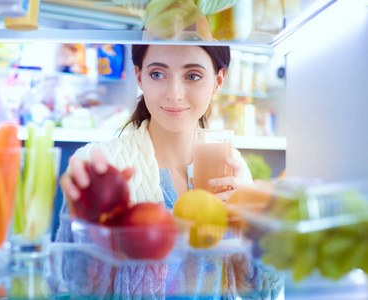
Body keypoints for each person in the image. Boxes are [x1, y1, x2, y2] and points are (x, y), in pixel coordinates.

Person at [49, 45, 281, 299]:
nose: (174, 94)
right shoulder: (101, 165)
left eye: (192, 76)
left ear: (218, 81)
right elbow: (68, 288)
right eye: (158, 74)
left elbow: (260, 292)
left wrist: (257, 228)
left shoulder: (232, 165)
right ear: (139, 77)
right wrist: (89, 225)